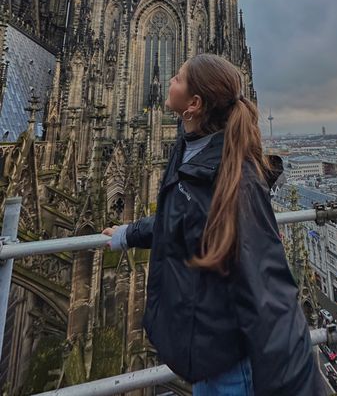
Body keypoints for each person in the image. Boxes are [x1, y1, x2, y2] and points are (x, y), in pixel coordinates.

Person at [103, 53, 323, 396]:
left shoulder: (237, 179)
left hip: (234, 365)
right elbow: (179, 215)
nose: (167, 80)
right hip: (207, 354)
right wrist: (128, 233)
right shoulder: (188, 148)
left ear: (194, 104)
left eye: (177, 76)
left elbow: (269, 292)